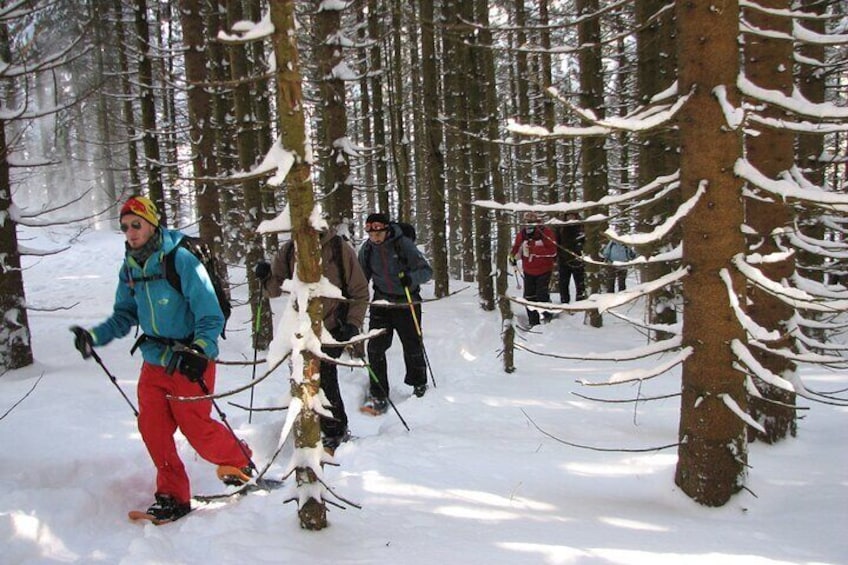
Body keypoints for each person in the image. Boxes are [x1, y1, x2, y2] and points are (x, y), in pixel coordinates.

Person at [70, 195, 253, 523]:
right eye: (125, 227)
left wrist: (200, 349)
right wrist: (94, 337)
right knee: (153, 428)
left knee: (197, 430)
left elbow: (210, 313)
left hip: (189, 360)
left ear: (152, 223)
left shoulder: (180, 259)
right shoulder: (130, 267)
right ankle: (172, 495)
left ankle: (239, 460)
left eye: (136, 224)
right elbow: (124, 315)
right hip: (154, 361)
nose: (131, 232)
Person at [254, 229, 369, 453]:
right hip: (300, 330)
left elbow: (360, 290)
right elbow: (274, 289)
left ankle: (335, 430)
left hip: (334, 328)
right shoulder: (289, 250)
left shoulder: (338, 247)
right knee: (302, 381)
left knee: (325, 379)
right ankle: (312, 427)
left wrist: (353, 324)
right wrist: (265, 276)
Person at [358, 213, 433, 415]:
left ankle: (419, 385)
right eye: (371, 234)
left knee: (412, 345)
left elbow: (427, 271)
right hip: (381, 302)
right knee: (374, 348)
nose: (375, 238)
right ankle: (379, 394)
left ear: (386, 229)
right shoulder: (366, 250)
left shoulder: (403, 244)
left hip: (407, 302)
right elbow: (360, 278)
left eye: (379, 232)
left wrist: (410, 278)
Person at [510, 211, 557, 326]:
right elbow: (516, 246)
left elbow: (553, 251)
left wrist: (534, 250)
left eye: (531, 221)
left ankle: (548, 315)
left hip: (544, 269)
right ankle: (533, 322)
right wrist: (512, 256)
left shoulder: (546, 232)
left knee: (541, 295)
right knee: (529, 297)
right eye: (527, 221)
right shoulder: (522, 234)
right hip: (528, 270)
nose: (529, 224)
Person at [555, 212, 586, 303]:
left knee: (580, 283)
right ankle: (565, 303)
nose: (570, 217)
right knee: (563, 284)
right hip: (563, 260)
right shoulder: (561, 228)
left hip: (578, 259)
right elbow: (557, 243)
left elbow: (585, 243)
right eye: (568, 215)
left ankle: (581, 302)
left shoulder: (581, 227)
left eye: (572, 215)